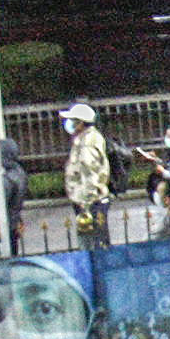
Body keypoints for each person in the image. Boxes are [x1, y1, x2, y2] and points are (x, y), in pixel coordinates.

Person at [57, 100, 114, 247]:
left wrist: (85, 205)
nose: (68, 123)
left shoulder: (87, 144)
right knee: (95, 241)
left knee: (92, 244)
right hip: (90, 201)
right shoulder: (84, 139)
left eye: (72, 120)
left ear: (80, 123)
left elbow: (90, 175)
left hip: (90, 203)